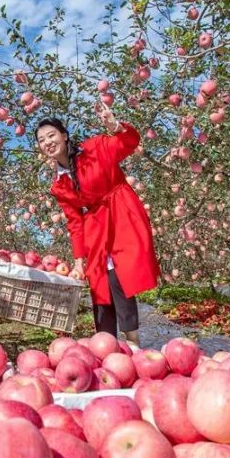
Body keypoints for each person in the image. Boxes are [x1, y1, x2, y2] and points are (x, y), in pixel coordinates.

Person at [35, 103, 160, 347]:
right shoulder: (59, 185)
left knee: (120, 277)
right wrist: (79, 260)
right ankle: (106, 343)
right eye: (41, 140)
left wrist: (114, 125)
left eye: (52, 135)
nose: (48, 142)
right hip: (95, 226)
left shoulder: (93, 149)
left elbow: (129, 143)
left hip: (121, 214)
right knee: (99, 282)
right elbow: (74, 222)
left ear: (64, 135)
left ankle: (132, 342)